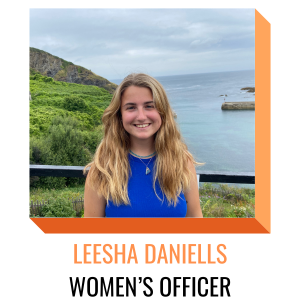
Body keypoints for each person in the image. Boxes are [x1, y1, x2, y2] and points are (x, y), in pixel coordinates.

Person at [84, 73, 203, 218]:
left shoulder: (182, 161)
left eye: (149, 106)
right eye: (131, 107)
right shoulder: (102, 169)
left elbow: (195, 220)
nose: (141, 116)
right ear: (119, 115)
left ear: (162, 112)